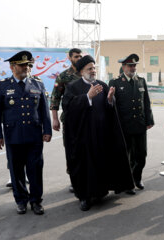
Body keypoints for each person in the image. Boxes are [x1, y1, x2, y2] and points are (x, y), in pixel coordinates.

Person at [62, 55, 135, 211]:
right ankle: (85, 197)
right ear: (82, 71)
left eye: (94, 68)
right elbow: (68, 108)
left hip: (102, 135)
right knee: (86, 168)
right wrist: (87, 97)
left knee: (102, 164)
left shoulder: (102, 85)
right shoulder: (73, 87)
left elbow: (109, 109)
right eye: (89, 68)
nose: (93, 71)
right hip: (83, 137)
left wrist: (110, 100)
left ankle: (100, 192)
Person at [0, 50, 52, 215]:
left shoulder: (37, 84)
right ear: (13, 67)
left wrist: (47, 130)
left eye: (27, 65)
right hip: (13, 136)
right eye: (22, 65)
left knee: (35, 170)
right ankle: (21, 200)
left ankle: (36, 201)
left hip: (34, 136)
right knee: (16, 170)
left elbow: (44, 111)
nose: (26, 67)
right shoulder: (2, 86)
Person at [108, 53, 154, 193]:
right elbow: (111, 105)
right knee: (125, 156)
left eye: (134, 65)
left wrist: (149, 120)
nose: (133, 68)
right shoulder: (115, 82)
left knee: (141, 155)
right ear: (123, 67)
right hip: (124, 126)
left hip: (139, 124)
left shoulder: (141, 81)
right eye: (130, 65)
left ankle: (137, 178)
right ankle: (128, 183)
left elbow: (146, 101)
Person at [50, 48, 82, 193]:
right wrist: (55, 119)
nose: (79, 58)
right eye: (76, 56)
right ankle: (74, 180)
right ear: (70, 58)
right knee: (71, 150)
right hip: (69, 121)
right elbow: (55, 98)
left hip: (86, 120)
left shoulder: (86, 73)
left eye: (80, 56)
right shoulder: (63, 76)